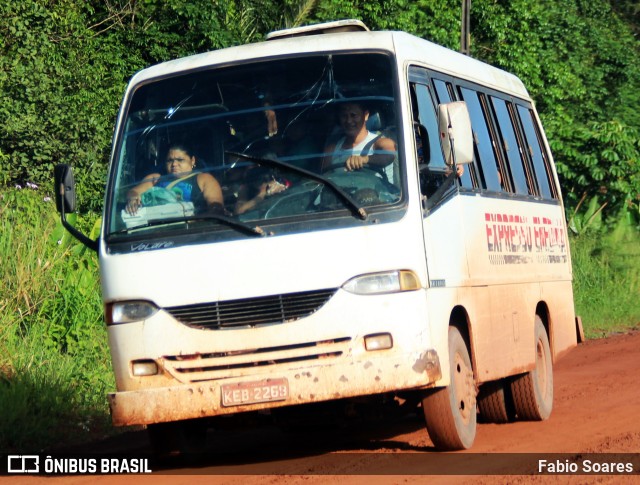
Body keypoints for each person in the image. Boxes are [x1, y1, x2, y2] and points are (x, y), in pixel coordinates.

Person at [126, 144, 224, 215]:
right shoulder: (155, 178)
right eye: (170, 161)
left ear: (192, 160)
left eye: (180, 160)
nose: (174, 164)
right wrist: (133, 199)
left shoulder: (204, 178)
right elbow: (134, 191)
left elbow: (216, 207)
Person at [321, 102, 396, 177]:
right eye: (344, 116)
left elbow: (389, 155)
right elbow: (324, 178)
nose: (349, 121)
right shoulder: (332, 149)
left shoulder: (381, 142)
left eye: (353, 115)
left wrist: (364, 160)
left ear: (366, 115)